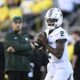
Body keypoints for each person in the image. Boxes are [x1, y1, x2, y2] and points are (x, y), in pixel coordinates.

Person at [38, 8, 74, 80]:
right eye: (48, 20)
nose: (50, 22)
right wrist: (39, 44)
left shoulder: (61, 32)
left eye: (53, 20)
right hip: (51, 65)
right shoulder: (47, 31)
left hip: (62, 67)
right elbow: (46, 49)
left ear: (59, 19)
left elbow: (58, 55)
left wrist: (45, 44)